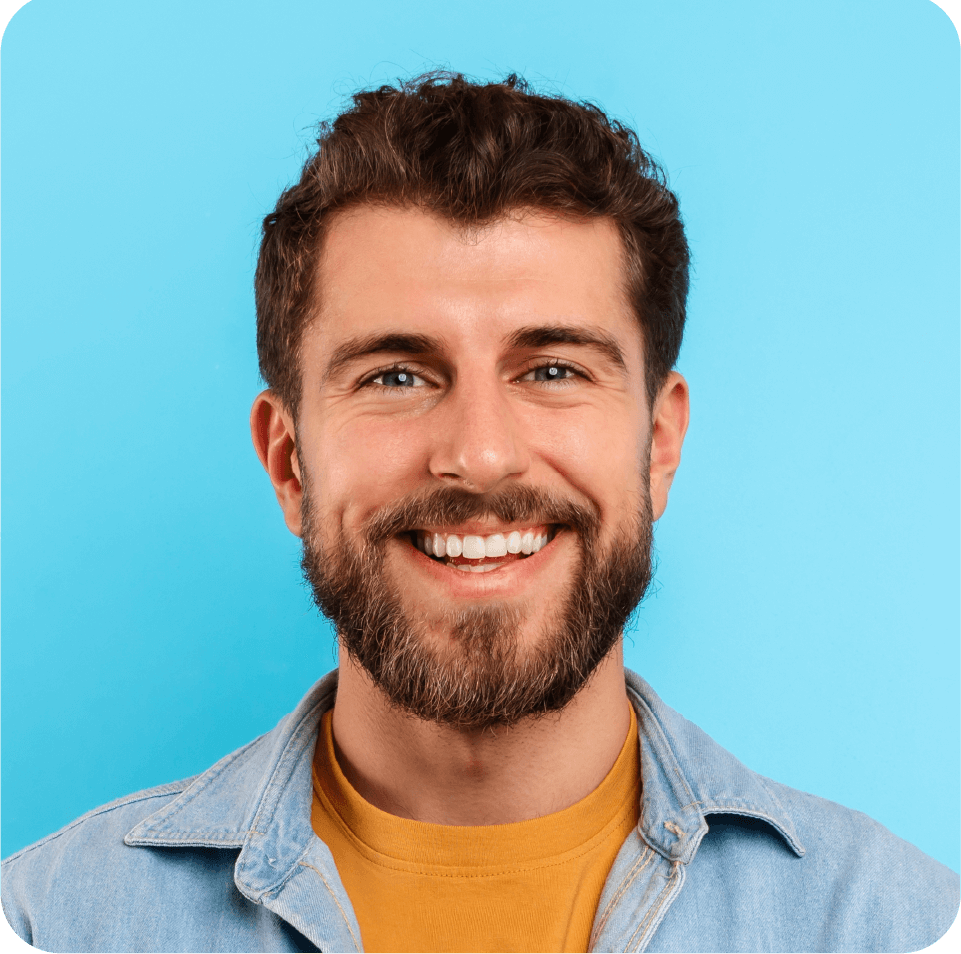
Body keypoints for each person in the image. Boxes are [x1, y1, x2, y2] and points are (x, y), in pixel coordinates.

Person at [2, 72, 957, 954]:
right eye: (396, 375)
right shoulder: (56, 920)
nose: (480, 453)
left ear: (658, 444)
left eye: (553, 369)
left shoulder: (884, 925)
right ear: (289, 461)